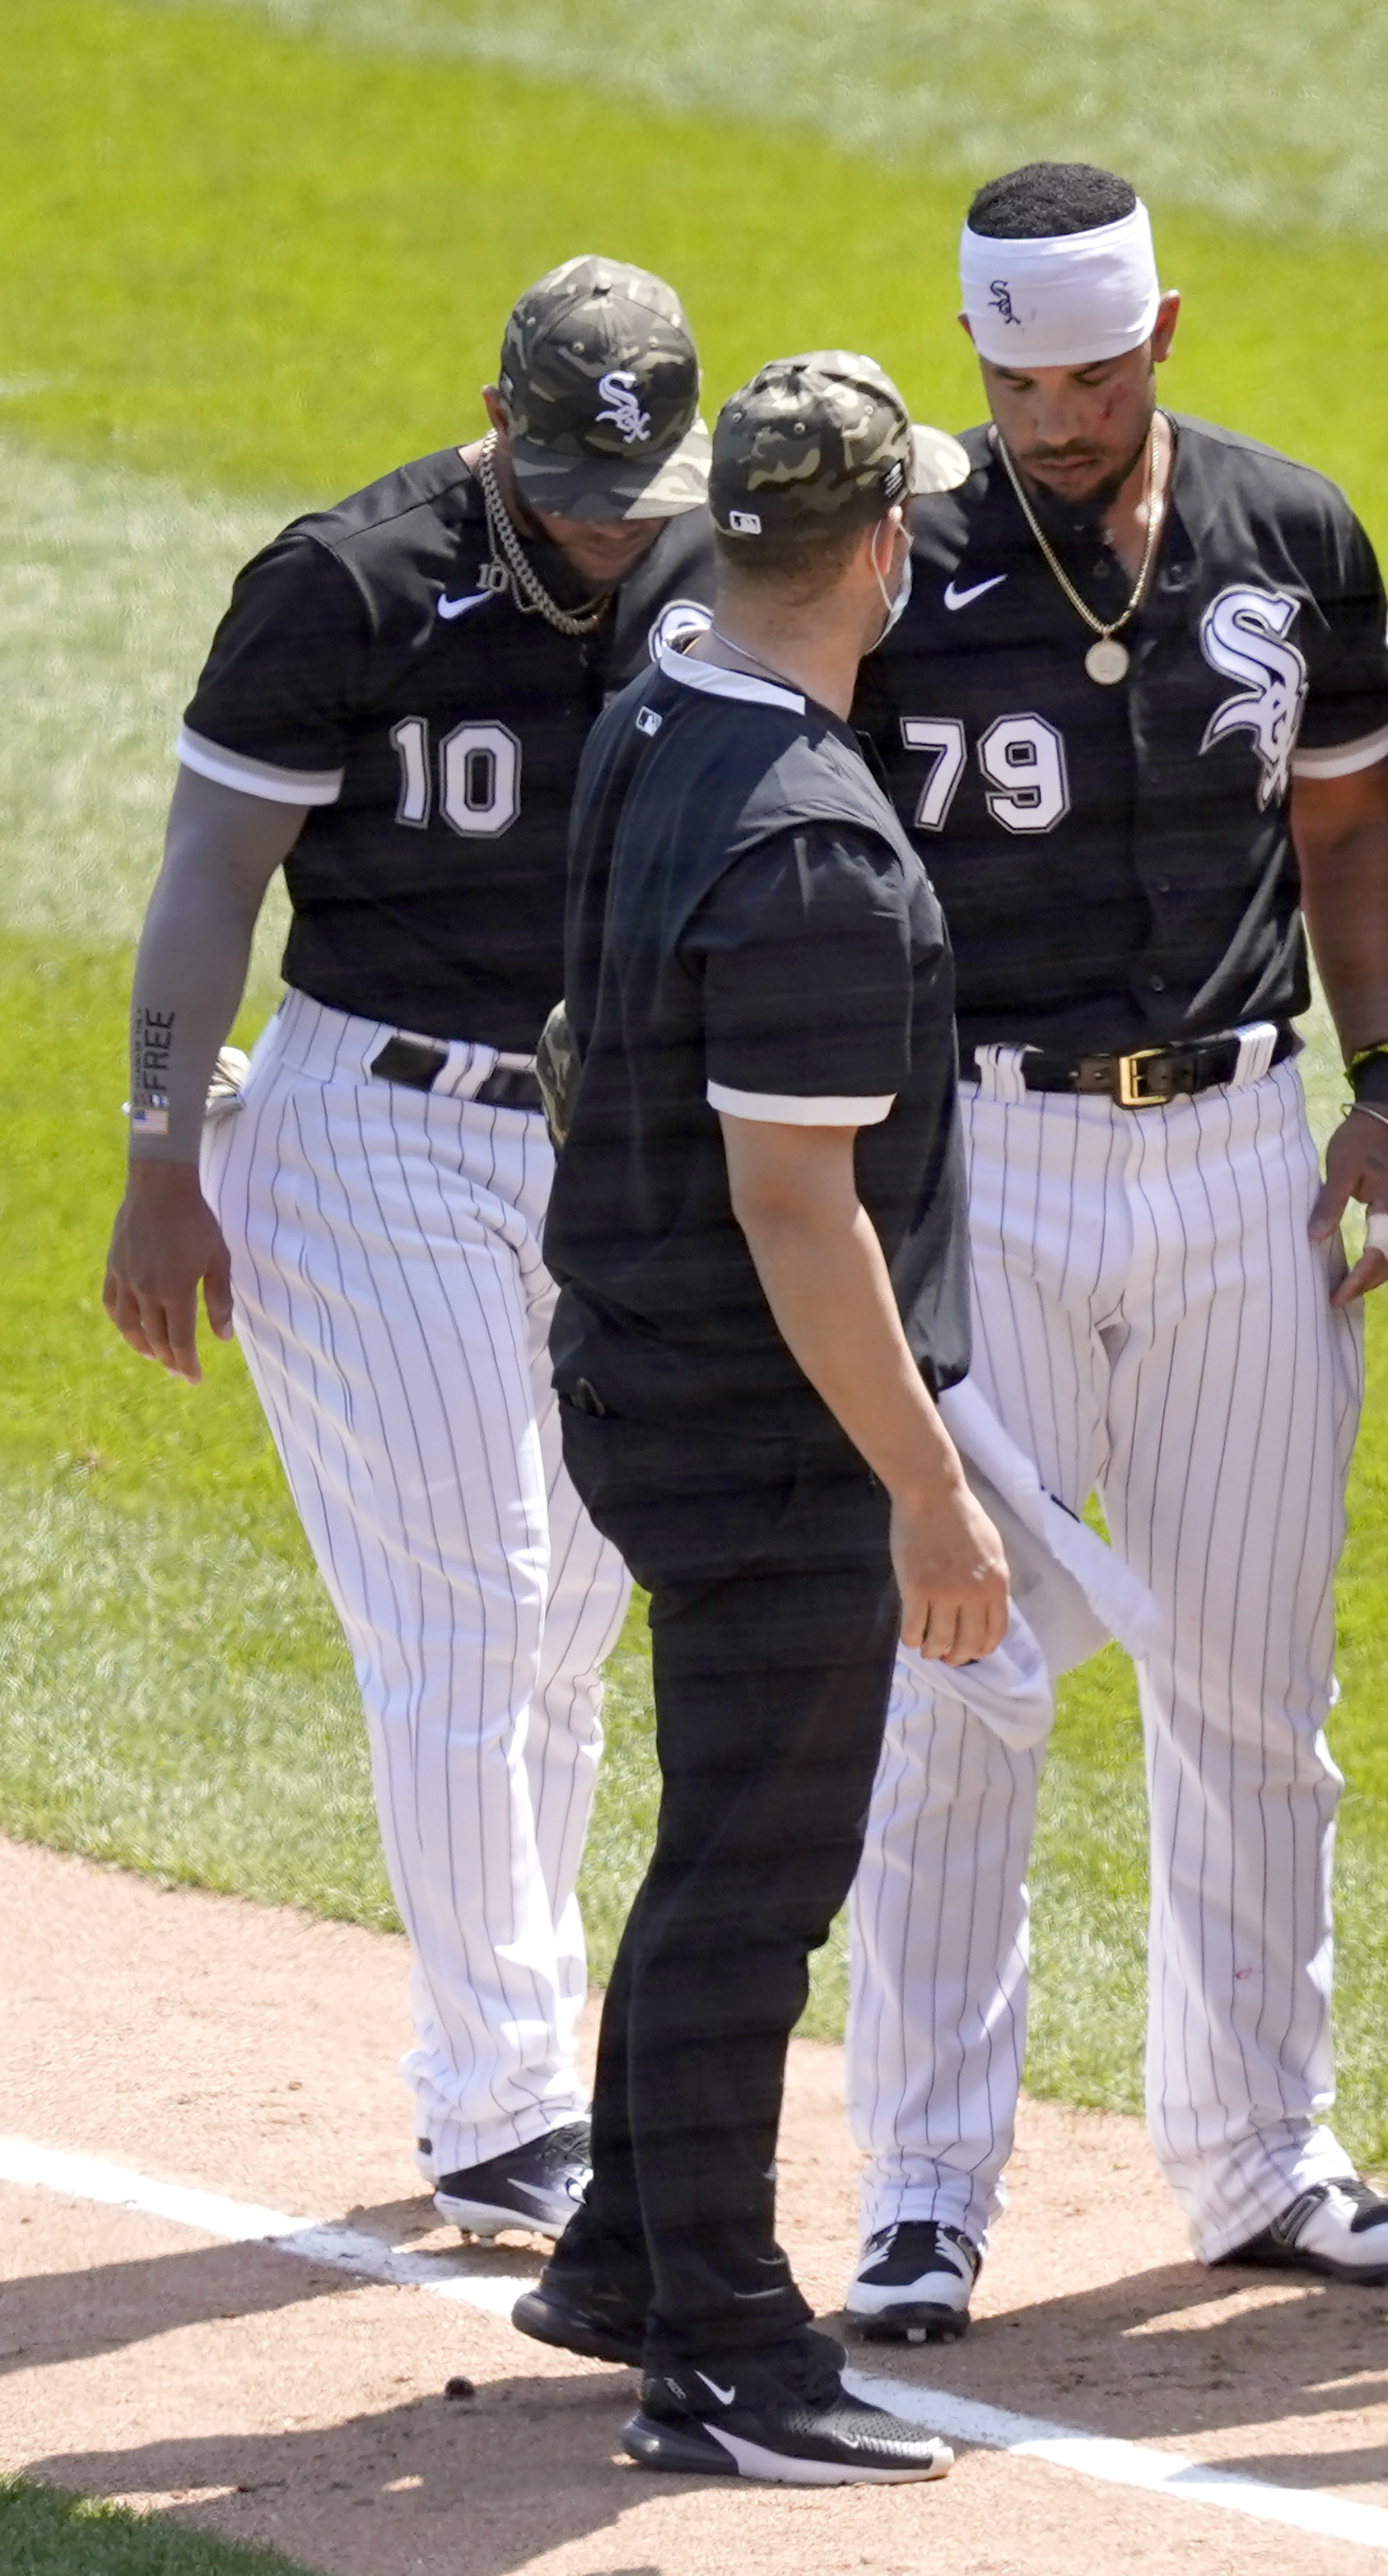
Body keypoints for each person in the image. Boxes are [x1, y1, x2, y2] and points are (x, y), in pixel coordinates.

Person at [832, 162, 1388, 2339]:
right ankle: (921, 2190)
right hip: (976, 1156)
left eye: (1089, 379)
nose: (1050, 419)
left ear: (1160, 335)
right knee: (961, 1687)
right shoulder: (893, 545)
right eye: (1013, 382)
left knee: (1260, 1689)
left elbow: (1356, 813)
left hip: (1238, 1151)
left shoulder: (1289, 532)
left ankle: (1262, 2153)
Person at [97, 258, 714, 2246]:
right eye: (566, 482)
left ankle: (518, 2076)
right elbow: (209, 884)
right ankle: (501, 2100)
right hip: (376, 1131)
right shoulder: (349, 582)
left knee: (564, 1632)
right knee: (474, 1610)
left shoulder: (706, 568)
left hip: (607, 1143)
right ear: (493, 412)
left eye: (632, 486)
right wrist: (158, 1157)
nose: (600, 521)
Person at [519, 352, 981, 2482]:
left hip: (635, 1369)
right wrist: (934, 1493)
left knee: (714, 1835)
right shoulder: (814, 848)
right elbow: (801, 1216)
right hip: (763, 1427)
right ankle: (719, 2349)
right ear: (880, 556)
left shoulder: (659, 708)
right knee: (752, 1886)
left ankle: (622, 2250)